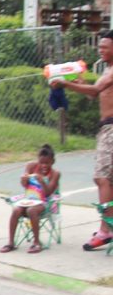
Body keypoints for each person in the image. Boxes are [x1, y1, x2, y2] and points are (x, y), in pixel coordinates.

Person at [50, 30, 113, 251]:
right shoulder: (107, 69)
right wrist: (79, 82)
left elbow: (95, 91)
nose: (100, 50)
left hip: (112, 129)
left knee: (102, 178)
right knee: (107, 180)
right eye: (100, 46)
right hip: (106, 128)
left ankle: (106, 230)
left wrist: (65, 84)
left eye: (105, 47)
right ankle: (108, 227)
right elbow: (93, 94)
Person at [0, 144, 60, 254]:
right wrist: (24, 179)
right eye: (41, 163)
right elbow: (24, 185)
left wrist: (42, 181)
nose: (44, 166)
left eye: (47, 163)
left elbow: (48, 193)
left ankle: (37, 242)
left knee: (31, 210)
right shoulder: (31, 166)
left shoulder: (55, 174)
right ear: (38, 160)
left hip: (44, 202)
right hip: (28, 199)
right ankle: (11, 243)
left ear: (53, 162)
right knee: (16, 210)